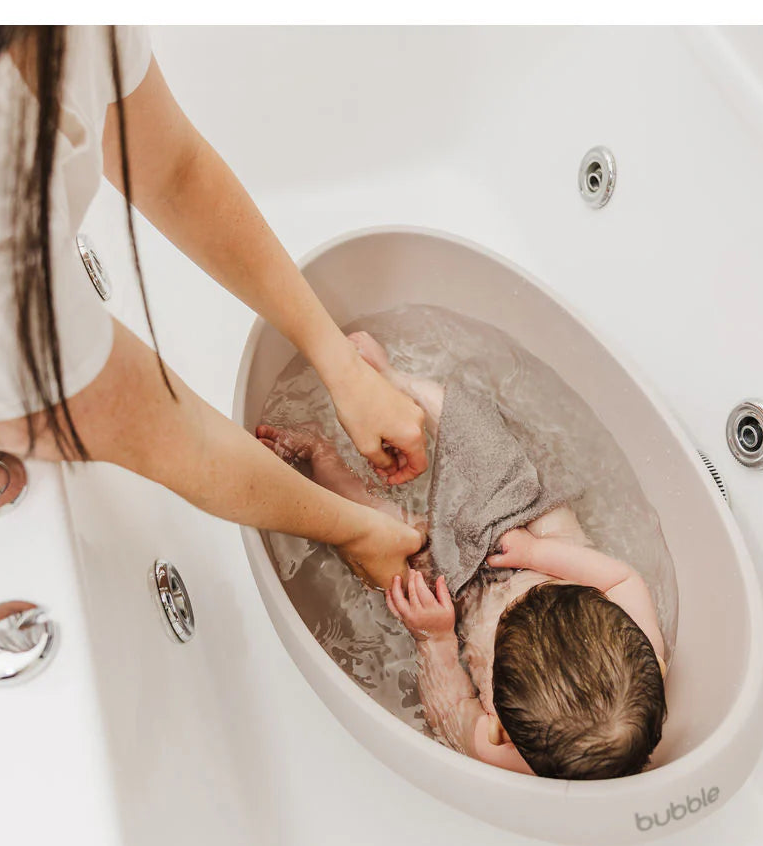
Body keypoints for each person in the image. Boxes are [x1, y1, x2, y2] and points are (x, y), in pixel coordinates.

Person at [0, 26, 426, 588]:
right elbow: (162, 432)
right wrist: (357, 530)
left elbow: (175, 171)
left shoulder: (69, 22)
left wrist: (344, 367)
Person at [258, 331, 668, 780]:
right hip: (530, 535)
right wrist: (539, 552)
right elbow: (623, 581)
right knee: (487, 442)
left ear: (500, 726)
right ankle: (397, 383)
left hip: (457, 598)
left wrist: (434, 637)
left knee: (382, 541)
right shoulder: (643, 670)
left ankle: (321, 453)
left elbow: (449, 711)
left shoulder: (503, 752)